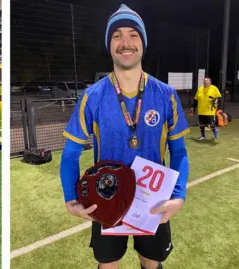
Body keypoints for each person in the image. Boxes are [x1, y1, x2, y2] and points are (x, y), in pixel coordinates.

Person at [60, 4, 190, 269]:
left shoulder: (166, 95)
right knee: (109, 264)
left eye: (133, 34)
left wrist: (178, 196)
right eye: (117, 35)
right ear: (109, 44)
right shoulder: (92, 97)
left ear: (143, 42)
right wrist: (70, 198)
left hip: (153, 201)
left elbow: (179, 152)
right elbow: (70, 154)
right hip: (104, 198)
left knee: (151, 262)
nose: (125, 42)